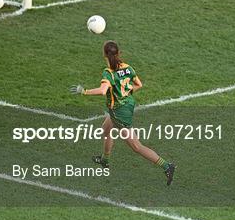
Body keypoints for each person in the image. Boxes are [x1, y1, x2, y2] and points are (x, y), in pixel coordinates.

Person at [70, 40, 176, 185]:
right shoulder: (128, 67)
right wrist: (125, 93)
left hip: (119, 112)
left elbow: (102, 91)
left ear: (104, 55)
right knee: (105, 129)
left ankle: (166, 166)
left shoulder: (108, 73)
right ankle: (105, 159)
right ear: (118, 53)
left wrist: (84, 91)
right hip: (127, 104)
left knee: (136, 146)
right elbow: (139, 84)